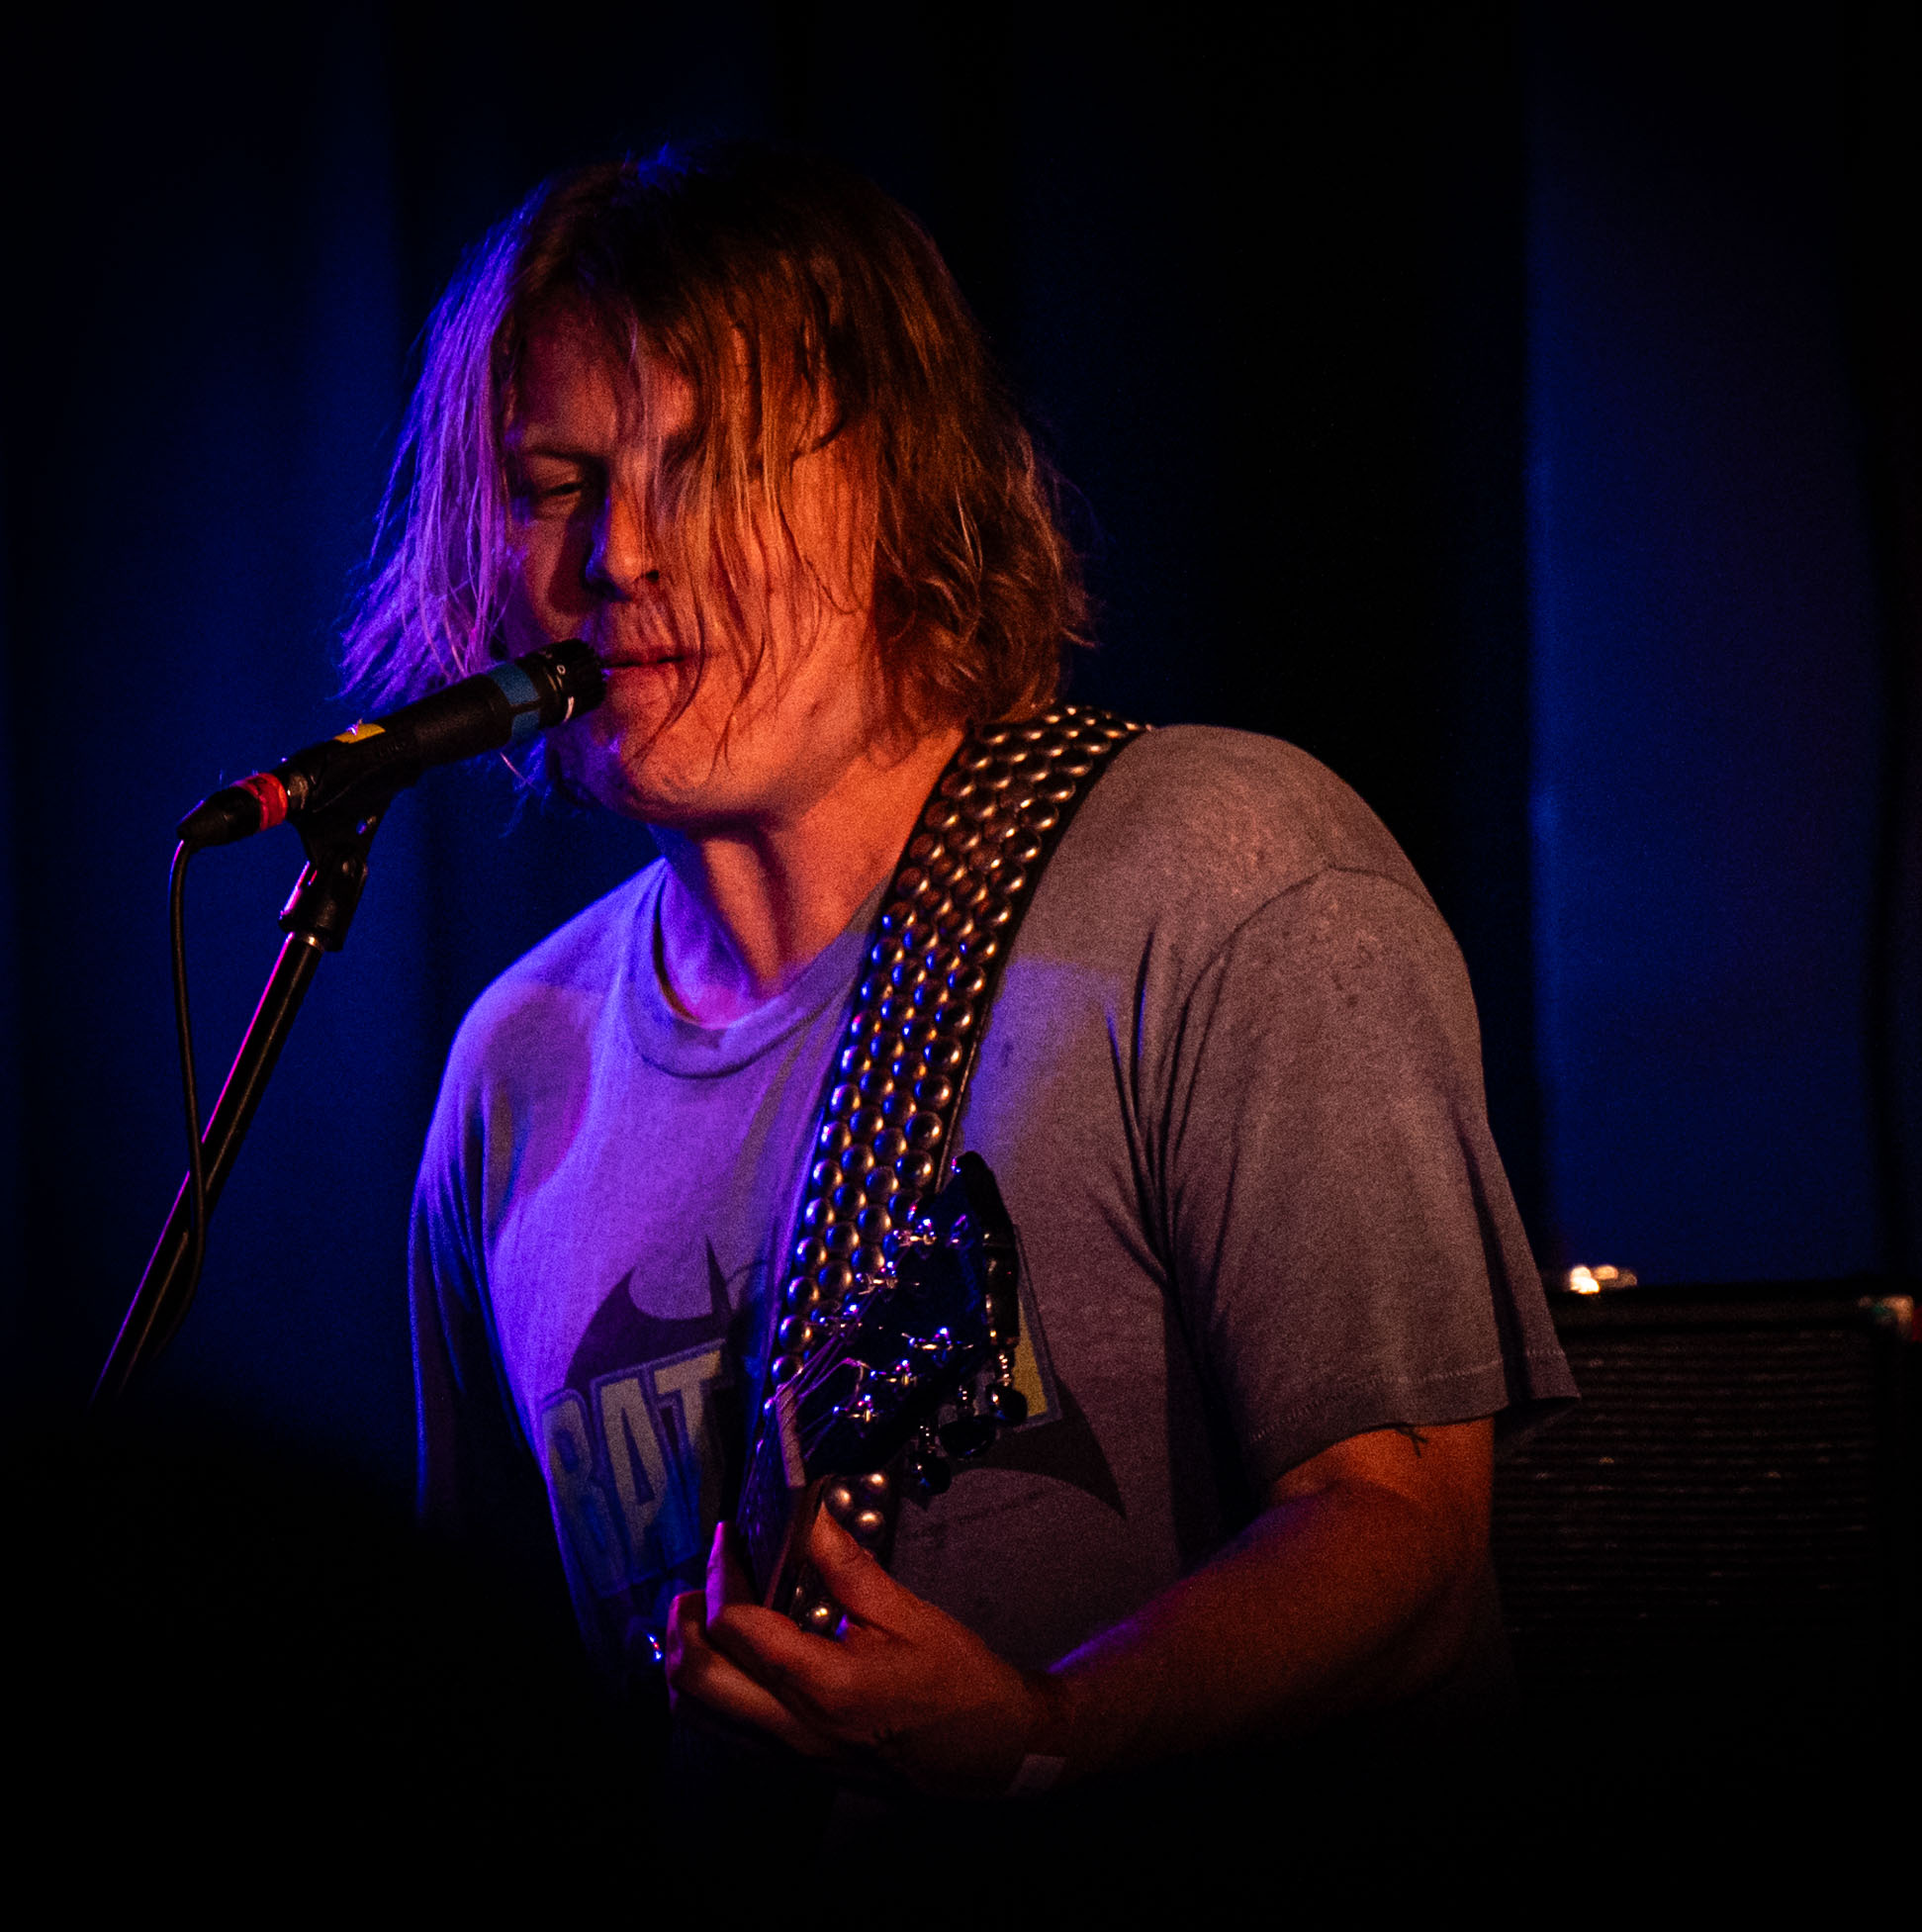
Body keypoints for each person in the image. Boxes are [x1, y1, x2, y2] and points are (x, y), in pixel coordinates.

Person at [371, 143, 1574, 1823]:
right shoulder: (515, 1071)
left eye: (706, 467)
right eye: (558, 482)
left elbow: (1404, 1540)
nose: (623, 554)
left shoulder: (1228, 871)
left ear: (908, 483)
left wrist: (1046, 1729)